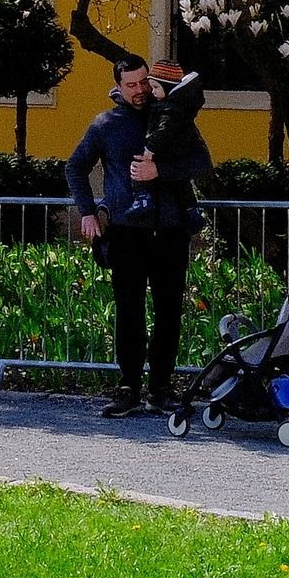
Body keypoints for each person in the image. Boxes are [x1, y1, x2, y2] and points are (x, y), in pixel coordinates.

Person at [66, 58, 212, 417]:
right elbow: (75, 166)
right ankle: (128, 387)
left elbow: (202, 164)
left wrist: (158, 170)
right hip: (127, 233)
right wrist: (87, 211)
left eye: (143, 82)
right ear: (118, 85)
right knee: (129, 312)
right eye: (130, 85)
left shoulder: (174, 117)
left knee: (168, 312)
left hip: (170, 229)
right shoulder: (106, 124)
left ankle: (161, 388)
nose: (138, 91)